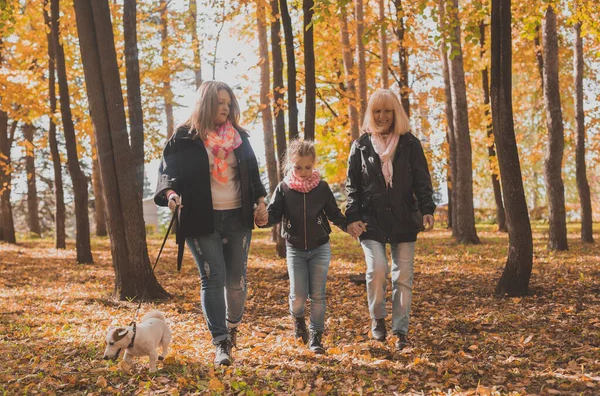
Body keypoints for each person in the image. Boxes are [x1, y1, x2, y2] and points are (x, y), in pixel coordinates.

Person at [154, 81, 268, 366]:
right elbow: (168, 174)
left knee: (237, 283)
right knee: (213, 278)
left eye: (228, 103)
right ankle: (221, 342)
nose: (225, 107)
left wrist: (261, 202)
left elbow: (253, 176)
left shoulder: (239, 137)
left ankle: (232, 326)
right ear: (205, 103)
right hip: (199, 217)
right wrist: (170, 195)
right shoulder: (183, 138)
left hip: (237, 217)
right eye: (219, 102)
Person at [345, 89, 435, 350]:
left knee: (403, 276)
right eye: (377, 111)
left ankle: (401, 330)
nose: (382, 116)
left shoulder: (410, 143)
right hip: (370, 220)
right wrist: (353, 218)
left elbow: (422, 179)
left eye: (387, 111)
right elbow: (352, 186)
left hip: (404, 218)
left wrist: (427, 208)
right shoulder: (361, 145)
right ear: (370, 114)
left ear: (396, 113)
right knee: (377, 269)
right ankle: (377, 318)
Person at [255, 139, 347, 354]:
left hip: (320, 247)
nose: (303, 172)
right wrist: (262, 221)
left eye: (308, 167)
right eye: (298, 167)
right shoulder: (284, 188)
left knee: (318, 295)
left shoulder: (322, 188)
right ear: (290, 165)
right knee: (298, 296)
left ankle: (316, 336)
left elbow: (334, 213)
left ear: (314, 164)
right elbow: (274, 215)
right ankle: (298, 320)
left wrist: (349, 226)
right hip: (295, 249)